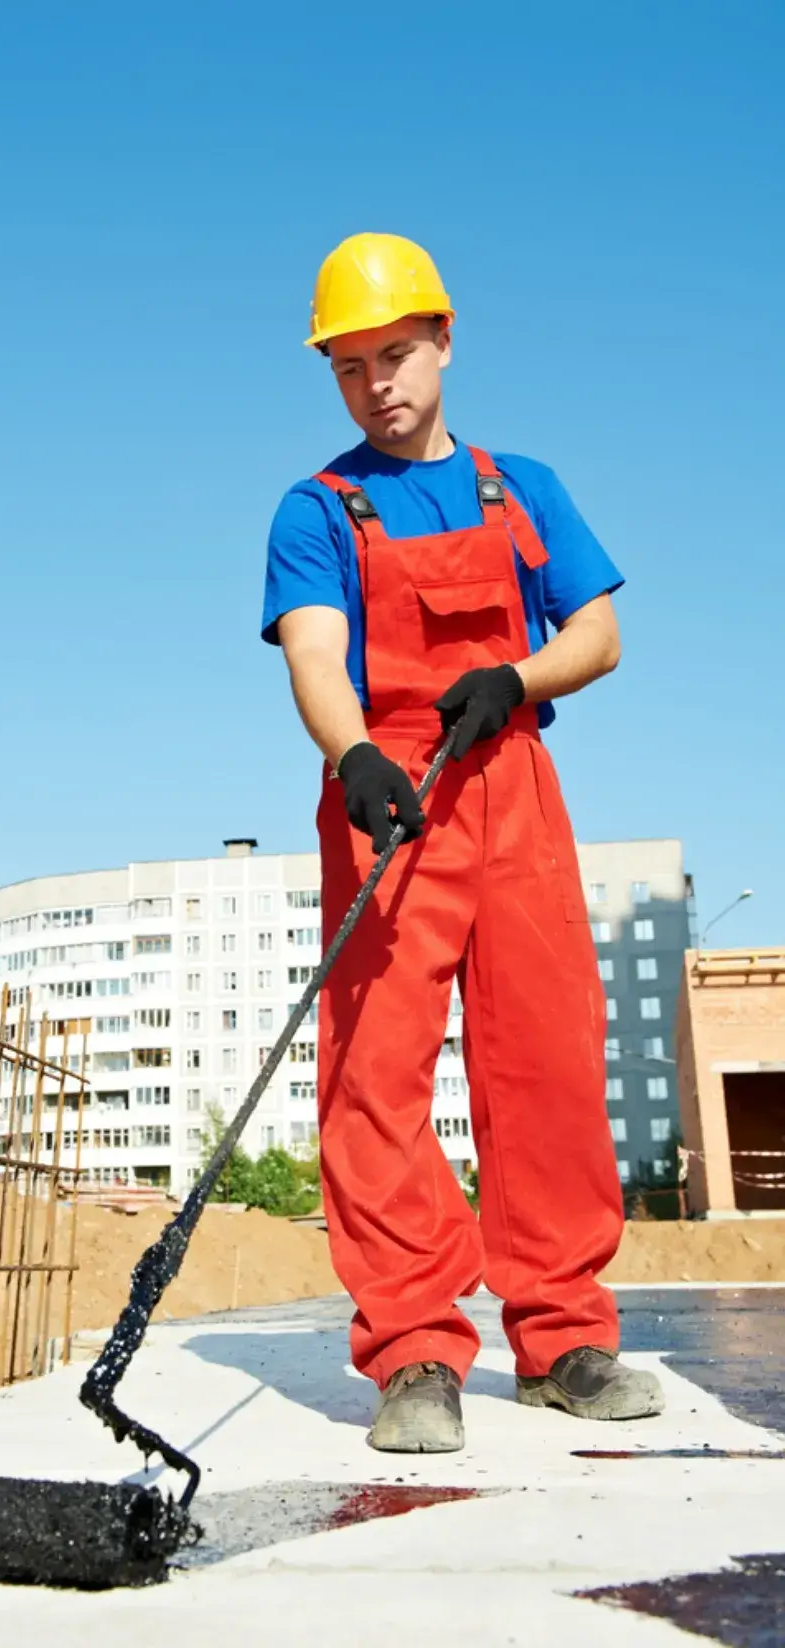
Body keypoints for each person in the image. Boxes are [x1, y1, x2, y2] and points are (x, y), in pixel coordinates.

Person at [262, 232, 664, 1451]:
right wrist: (354, 756)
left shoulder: (517, 485)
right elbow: (315, 654)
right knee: (374, 1071)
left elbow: (595, 635)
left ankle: (562, 1335)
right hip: (388, 796)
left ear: (443, 340)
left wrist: (515, 674)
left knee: (543, 1055)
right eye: (347, 366)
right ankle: (414, 1352)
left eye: (393, 354)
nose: (374, 382)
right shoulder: (316, 505)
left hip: (512, 786)